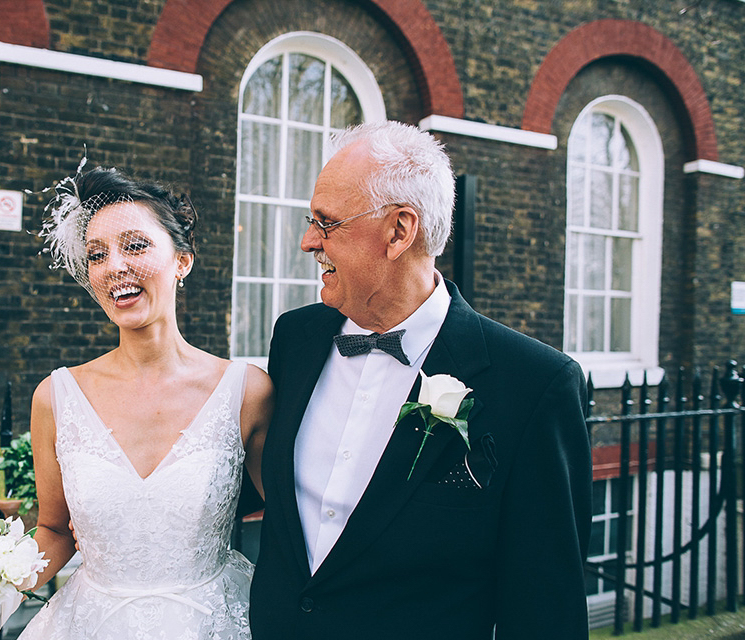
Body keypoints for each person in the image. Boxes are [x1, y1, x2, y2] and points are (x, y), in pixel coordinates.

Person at [249, 121, 592, 639]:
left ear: (399, 231)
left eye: (327, 222)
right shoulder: (295, 339)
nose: (307, 241)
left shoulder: (534, 386)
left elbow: (546, 608)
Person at [18, 166, 272, 640]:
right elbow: (53, 531)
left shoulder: (247, 392)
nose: (114, 267)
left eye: (135, 246)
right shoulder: (56, 397)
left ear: (182, 261)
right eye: (97, 254)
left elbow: (287, 526)